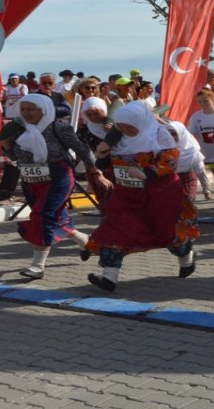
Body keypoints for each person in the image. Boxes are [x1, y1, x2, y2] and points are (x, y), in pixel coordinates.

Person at [84, 101, 198, 292]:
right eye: (122, 126)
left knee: (168, 234)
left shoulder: (159, 134)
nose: (126, 129)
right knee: (114, 232)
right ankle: (109, 278)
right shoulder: (116, 138)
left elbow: (170, 161)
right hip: (125, 195)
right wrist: (101, 156)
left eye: (130, 126)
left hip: (159, 195)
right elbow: (106, 165)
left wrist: (148, 173)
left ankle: (186, 258)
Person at [0, 94, 103, 279]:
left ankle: (37, 266)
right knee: (54, 217)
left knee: (43, 217)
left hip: (58, 176)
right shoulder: (19, 129)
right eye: (23, 109)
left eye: (31, 109)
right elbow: (16, 158)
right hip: (32, 180)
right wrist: (6, 144)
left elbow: (82, 148)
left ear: (44, 109)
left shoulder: (59, 127)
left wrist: (94, 170)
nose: (26, 113)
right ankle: (84, 240)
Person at [187, 88, 214, 195]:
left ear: (213, 99)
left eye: (205, 100)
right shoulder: (196, 117)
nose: (202, 103)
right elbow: (189, 132)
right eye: (199, 101)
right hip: (208, 152)